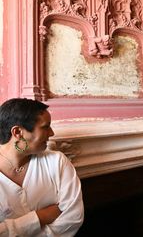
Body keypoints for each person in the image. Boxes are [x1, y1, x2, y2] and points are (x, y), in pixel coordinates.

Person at [0, 98, 84, 236]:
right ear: (18, 132)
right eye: (45, 127)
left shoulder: (56, 162)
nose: (52, 133)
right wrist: (40, 217)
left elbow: (74, 217)